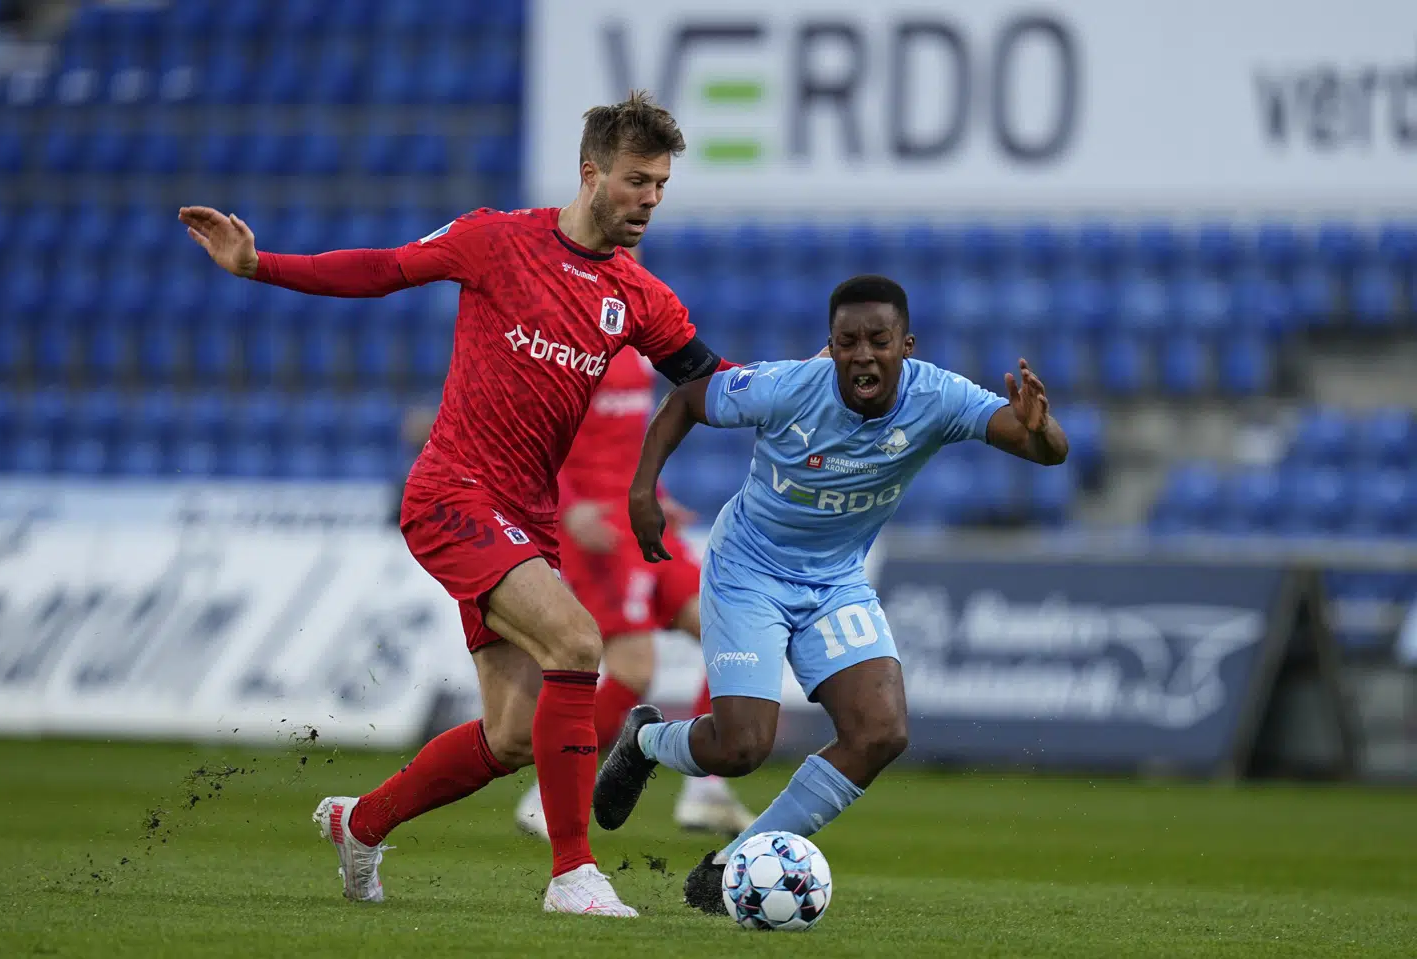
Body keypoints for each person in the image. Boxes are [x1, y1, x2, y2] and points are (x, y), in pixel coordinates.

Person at [179, 91, 741, 918]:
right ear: (590, 174)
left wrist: (818, 398)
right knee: (578, 640)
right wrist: (262, 265)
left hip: (526, 520)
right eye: (636, 181)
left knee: (511, 733)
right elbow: (383, 269)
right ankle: (573, 874)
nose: (651, 199)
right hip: (452, 493)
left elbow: (715, 381)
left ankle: (361, 823)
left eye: (660, 184)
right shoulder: (496, 240)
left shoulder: (638, 295)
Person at [591, 274, 1070, 914]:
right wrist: (642, 491)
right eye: (848, 342)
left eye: (879, 341)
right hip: (748, 572)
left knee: (880, 732)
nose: (863, 355)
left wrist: (1043, 427)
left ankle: (733, 864)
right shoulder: (788, 386)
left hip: (834, 581)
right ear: (832, 345)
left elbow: (1044, 449)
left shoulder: (938, 396)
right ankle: (645, 741)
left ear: (906, 345)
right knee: (742, 748)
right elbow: (685, 401)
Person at [514, 344, 756, 842]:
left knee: (731, 632)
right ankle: (547, 792)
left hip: (641, 518)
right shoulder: (569, 347)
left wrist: (658, 496)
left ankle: (705, 787)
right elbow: (537, 437)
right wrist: (568, 508)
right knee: (633, 669)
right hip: (596, 527)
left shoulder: (637, 350)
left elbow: (627, 444)